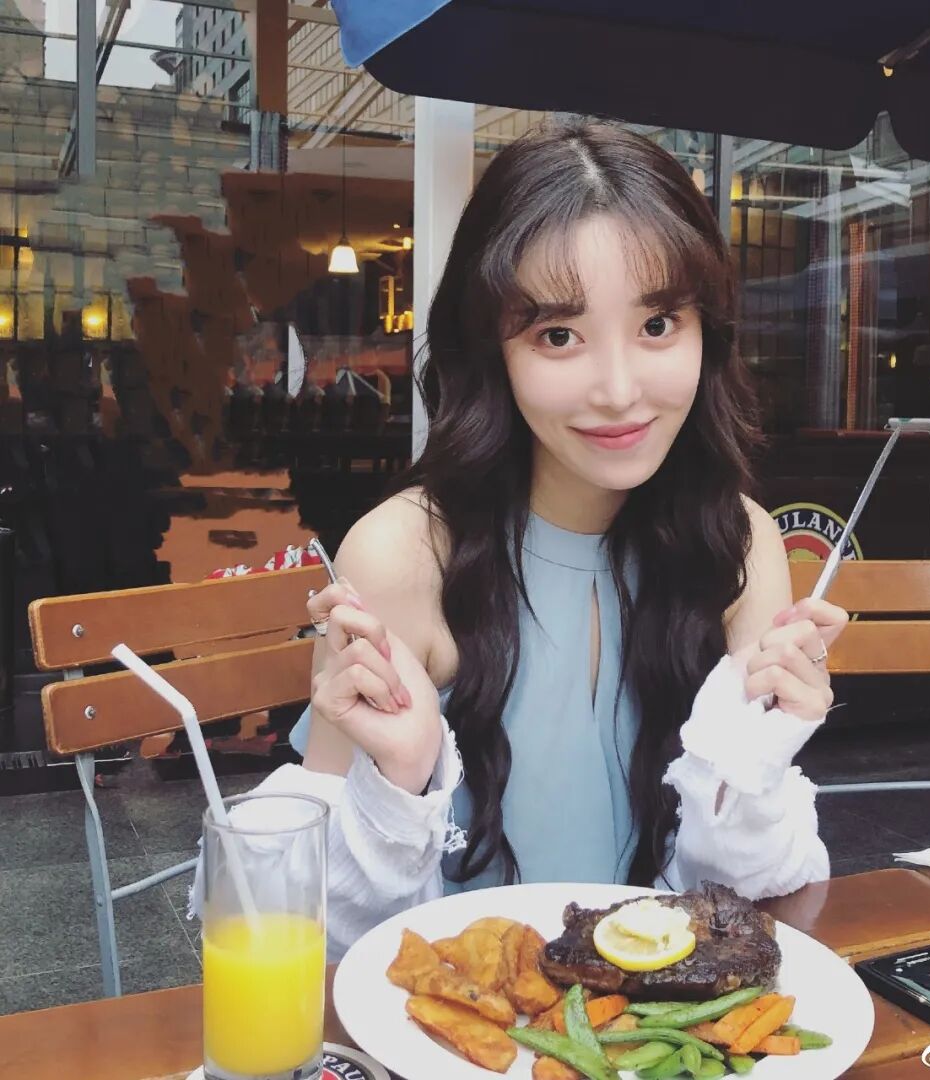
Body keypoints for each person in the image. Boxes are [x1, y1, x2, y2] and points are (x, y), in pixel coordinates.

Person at [234, 121, 848, 961]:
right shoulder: (403, 555)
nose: (619, 390)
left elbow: (738, 905)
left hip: (656, 1015)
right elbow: (307, 936)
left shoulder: (739, 544)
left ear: (708, 330)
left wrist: (756, 763)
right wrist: (399, 782)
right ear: (491, 350)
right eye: (558, 335)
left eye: (658, 323)